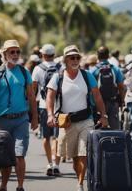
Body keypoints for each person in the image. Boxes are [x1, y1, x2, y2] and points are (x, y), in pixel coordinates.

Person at [46, 45, 108, 191]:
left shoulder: (87, 76)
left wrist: (103, 115)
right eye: (71, 58)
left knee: (83, 152)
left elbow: (97, 96)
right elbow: (50, 96)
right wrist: (50, 114)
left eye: (77, 57)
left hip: (86, 120)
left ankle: (80, 183)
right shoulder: (58, 77)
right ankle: (78, 177)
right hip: (67, 122)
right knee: (74, 157)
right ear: (66, 60)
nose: (75, 60)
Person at [0, 39, 38, 191]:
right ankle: (3, 185)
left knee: (19, 154)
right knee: (5, 159)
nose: (15, 55)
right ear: (5, 54)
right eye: (11, 52)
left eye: (17, 52)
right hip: (2, 121)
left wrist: (34, 117)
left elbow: (31, 96)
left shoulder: (24, 72)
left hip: (21, 119)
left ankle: (20, 186)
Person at [32, 44, 61, 176]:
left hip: (44, 105)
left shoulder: (38, 69)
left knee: (46, 136)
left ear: (42, 55)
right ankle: (56, 164)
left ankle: (49, 163)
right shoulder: (60, 68)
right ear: (54, 55)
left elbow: (33, 89)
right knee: (57, 137)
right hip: (59, 106)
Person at [91, 46, 125, 129]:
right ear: (108, 55)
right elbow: (121, 86)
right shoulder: (115, 69)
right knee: (115, 129)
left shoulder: (93, 70)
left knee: (98, 129)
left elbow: (89, 89)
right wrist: (122, 100)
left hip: (98, 105)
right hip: (113, 103)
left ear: (97, 56)